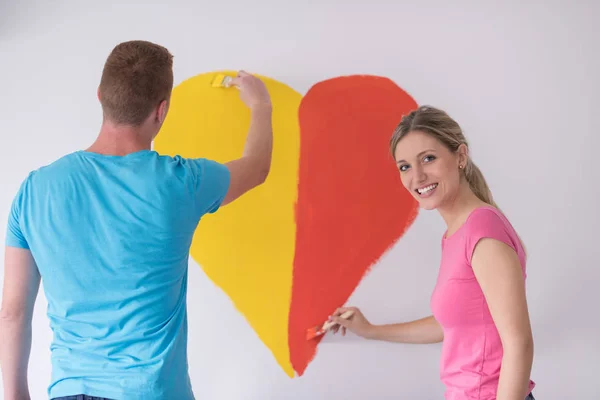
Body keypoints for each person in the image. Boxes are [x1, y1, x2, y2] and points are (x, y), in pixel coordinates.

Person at [0, 40, 273, 400]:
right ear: (161, 111)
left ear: (100, 96)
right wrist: (261, 105)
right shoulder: (181, 182)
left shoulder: (35, 189)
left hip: (69, 391)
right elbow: (256, 168)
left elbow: (13, 312)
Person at [330, 106, 536, 400]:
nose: (417, 176)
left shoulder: (483, 230)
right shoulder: (457, 234)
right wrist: (371, 329)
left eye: (428, 158)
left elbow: (519, 343)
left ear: (460, 157)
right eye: (405, 166)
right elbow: (450, 323)